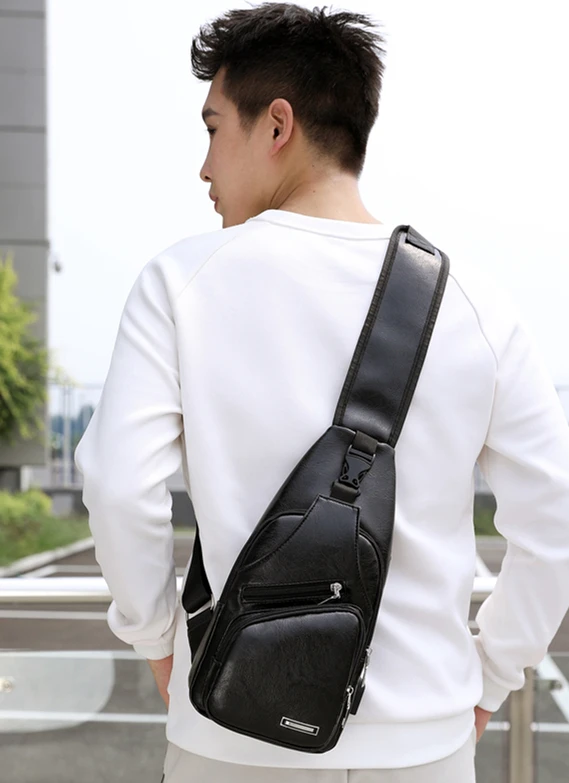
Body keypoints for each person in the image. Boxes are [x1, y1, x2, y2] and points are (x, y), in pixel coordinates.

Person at [74, 4, 569, 782]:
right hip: (423, 746)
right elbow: (553, 522)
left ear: (277, 125)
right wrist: (488, 679)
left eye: (213, 129)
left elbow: (116, 484)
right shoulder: (476, 304)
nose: (203, 167)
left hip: (228, 731)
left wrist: (160, 642)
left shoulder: (181, 282)